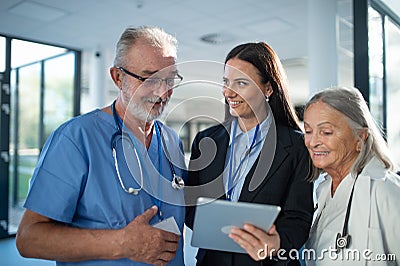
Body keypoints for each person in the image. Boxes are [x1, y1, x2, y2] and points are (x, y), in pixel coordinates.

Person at [16, 26, 187, 266]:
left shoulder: (171, 141)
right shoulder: (76, 138)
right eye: (150, 78)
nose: (162, 91)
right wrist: (122, 243)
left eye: (170, 79)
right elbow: (28, 238)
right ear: (118, 77)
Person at [185, 42, 314, 265]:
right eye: (226, 82)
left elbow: (299, 218)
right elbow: (191, 206)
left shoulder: (297, 146)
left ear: (268, 89)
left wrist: (277, 243)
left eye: (241, 83)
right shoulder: (205, 141)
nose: (228, 92)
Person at [303, 86, 400, 265]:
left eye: (326, 132)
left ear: (360, 137)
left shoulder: (386, 189)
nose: (313, 142)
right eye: (308, 131)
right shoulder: (324, 191)